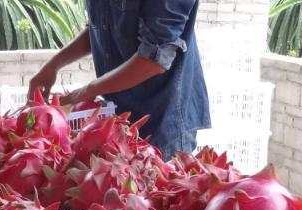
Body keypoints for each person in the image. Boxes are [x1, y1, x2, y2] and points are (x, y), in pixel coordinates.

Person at [28, 0, 210, 159]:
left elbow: (156, 59)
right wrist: (53, 65)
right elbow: (100, 27)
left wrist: (89, 90)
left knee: (153, 194)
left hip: (162, 122)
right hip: (119, 116)